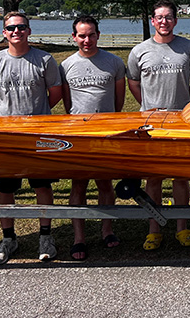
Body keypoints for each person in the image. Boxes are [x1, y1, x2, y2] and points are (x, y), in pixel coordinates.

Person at [0, 12, 62, 264]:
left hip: (38, 135)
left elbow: (54, 94)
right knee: (5, 189)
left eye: (21, 27)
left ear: (29, 30)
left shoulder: (44, 60)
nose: (17, 31)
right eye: (11, 28)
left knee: (41, 186)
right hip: (4, 137)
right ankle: (8, 238)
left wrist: (36, 116)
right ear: (4, 33)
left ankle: (45, 237)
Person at [127, 0, 190, 250]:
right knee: (153, 178)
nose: (164, 22)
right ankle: (154, 229)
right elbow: (134, 83)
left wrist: (186, 104)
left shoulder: (188, 48)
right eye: (159, 17)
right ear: (152, 20)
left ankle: (183, 227)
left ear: (175, 20)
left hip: (181, 121)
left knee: (180, 177)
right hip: (150, 124)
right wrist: (148, 106)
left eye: (168, 17)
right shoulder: (139, 51)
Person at [59, 16, 125, 260]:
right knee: (79, 184)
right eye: (82, 36)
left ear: (98, 35)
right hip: (78, 133)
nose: (87, 40)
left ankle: (107, 229)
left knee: (105, 183)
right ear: (74, 37)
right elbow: (67, 103)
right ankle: (79, 238)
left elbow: (119, 99)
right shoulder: (66, 66)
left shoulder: (114, 62)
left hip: (106, 131)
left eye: (91, 35)